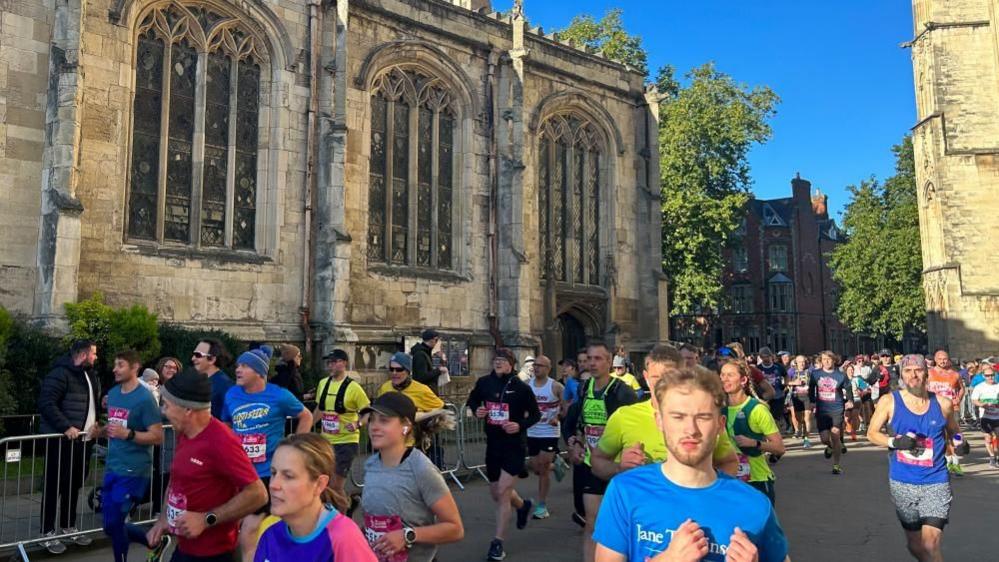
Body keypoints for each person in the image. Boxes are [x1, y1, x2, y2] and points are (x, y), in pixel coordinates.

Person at [593, 368, 790, 562]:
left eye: (703, 417)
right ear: (659, 421)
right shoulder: (626, 491)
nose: (690, 430)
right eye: (678, 417)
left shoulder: (754, 505)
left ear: (720, 425)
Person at [146, 369, 268, 562]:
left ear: (188, 410)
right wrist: (163, 519)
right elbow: (176, 478)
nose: (163, 411)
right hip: (185, 548)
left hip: (213, 554)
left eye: (167, 405)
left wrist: (206, 519)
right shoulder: (185, 433)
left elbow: (258, 494)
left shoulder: (221, 441)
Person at [590, 345, 739, 483]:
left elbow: (729, 462)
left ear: (683, 375)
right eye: (656, 378)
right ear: (646, 377)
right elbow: (596, 462)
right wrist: (619, 468)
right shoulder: (624, 417)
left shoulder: (702, 418)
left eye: (669, 377)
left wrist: (711, 492)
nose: (663, 384)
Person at [867, 354, 964, 562]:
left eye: (918, 370)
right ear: (902, 375)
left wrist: (960, 443)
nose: (913, 374)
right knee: (916, 545)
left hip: (936, 480)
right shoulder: (889, 401)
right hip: (902, 482)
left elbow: (954, 431)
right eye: (908, 370)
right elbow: (872, 433)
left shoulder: (942, 403)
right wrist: (895, 442)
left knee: (930, 543)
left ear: (926, 373)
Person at [360, 392, 464, 561]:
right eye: (372, 419)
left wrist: (407, 535)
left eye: (384, 420)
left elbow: (455, 529)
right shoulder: (371, 464)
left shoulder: (421, 468)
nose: (374, 426)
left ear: (406, 426)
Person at [563, 342, 639, 562]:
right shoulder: (584, 388)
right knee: (592, 522)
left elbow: (634, 428)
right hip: (591, 465)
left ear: (609, 361)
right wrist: (574, 441)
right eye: (589, 359)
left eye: (598, 359)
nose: (592, 363)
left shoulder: (622, 392)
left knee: (621, 524)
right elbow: (572, 422)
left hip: (617, 468)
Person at [250, 434, 377, 562]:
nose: (273, 485)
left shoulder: (344, 538)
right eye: (273, 473)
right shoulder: (269, 534)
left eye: (288, 476)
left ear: (319, 484)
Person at [465, 348, 542, 561]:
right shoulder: (484, 383)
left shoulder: (521, 388)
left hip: (514, 445)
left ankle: (497, 544)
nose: (498, 363)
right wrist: (477, 410)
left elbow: (536, 414)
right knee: (498, 493)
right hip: (493, 445)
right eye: (496, 360)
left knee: (502, 491)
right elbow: (472, 402)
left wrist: (519, 425)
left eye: (503, 361)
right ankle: (522, 505)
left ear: (511, 365)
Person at [222, 345, 313, 499]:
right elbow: (227, 424)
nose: (238, 370)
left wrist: (296, 446)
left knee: (258, 520)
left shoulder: (280, 395)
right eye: (238, 366)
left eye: (244, 366)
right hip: (239, 468)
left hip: (269, 470)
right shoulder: (231, 394)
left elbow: (306, 416)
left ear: (259, 372)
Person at [37, 339, 101, 554]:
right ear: (82, 354)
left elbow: (90, 404)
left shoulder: (89, 374)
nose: (96, 357)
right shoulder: (60, 374)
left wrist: (96, 422)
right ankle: (47, 532)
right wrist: (66, 426)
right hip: (61, 441)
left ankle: (68, 526)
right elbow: (46, 402)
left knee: (74, 484)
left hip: (83, 440)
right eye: (93, 353)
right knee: (54, 485)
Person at [101, 350, 164, 562]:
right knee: (110, 525)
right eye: (115, 364)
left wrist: (128, 435)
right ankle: (152, 541)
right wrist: (98, 431)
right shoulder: (114, 394)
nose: (114, 369)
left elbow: (157, 436)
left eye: (120, 365)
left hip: (134, 470)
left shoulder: (145, 399)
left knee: (116, 521)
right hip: (113, 466)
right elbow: (114, 427)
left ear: (135, 367)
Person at [719, 359, 784, 505]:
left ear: (743, 380)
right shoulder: (720, 411)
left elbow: (779, 447)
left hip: (756, 480)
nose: (724, 379)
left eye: (730, 375)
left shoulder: (757, 409)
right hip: (730, 480)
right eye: (722, 375)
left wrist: (754, 443)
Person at [313, 349, 370, 508]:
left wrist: (358, 424)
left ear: (344, 363)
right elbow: (320, 409)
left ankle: (344, 521)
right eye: (328, 362)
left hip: (346, 441)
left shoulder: (354, 387)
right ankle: (346, 506)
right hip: (326, 442)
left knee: (336, 485)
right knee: (324, 483)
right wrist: (305, 427)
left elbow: (367, 412)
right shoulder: (323, 383)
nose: (330, 365)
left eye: (334, 361)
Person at [524, 355, 563, 520]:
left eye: (540, 365)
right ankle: (557, 465)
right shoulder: (527, 385)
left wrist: (558, 417)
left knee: (543, 468)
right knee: (536, 467)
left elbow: (567, 404)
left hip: (549, 431)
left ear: (548, 368)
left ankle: (542, 505)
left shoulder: (555, 386)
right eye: (535, 365)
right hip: (532, 431)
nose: (536, 368)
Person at [809, 350, 853, 475]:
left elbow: (848, 387)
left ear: (834, 360)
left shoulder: (840, 375)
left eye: (829, 359)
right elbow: (812, 387)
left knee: (835, 435)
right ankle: (830, 446)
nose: (826, 362)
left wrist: (849, 400)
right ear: (821, 361)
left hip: (836, 409)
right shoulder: (815, 374)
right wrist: (812, 401)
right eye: (824, 359)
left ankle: (836, 465)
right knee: (824, 439)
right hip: (822, 410)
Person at [151, 357, 183, 517]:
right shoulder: (154, 388)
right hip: (158, 438)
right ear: (160, 368)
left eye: (174, 368)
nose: (171, 370)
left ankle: (166, 509)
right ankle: (158, 510)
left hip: (175, 439)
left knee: (171, 475)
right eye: (167, 366)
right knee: (160, 474)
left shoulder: (179, 389)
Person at [927, 348, 966, 476]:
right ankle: (948, 461)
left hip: (952, 409)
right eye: (940, 359)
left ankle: (956, 463)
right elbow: (923, 388)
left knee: (955, 435)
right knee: (941, 437)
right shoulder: (929, 373)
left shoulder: (954, 374)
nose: (943, 361)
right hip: (935, 409)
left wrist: (958, 399)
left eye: (945, 359)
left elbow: (961, 389)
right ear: (935, 360)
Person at [377, 352, 444, 413]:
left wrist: (421, 417)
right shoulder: (384, 388)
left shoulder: (422, 390)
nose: (394, 373)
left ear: (408, 371)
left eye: (399, 369)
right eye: (391, 369)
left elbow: (443, 409)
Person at [191, 338, 234, 419]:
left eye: (198, 355)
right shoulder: (199, 382)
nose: (193, 358)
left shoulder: (225, 385)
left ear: (212, 359)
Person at [970, 365, 999, 468]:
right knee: (988, 438)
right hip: (985, 417)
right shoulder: (979, 387)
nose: (990, 377)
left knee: (997, 438)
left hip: (997, 417)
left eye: (992, 375)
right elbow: (974, 400)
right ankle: (992, 457)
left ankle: (996, 457)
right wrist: (982, 405)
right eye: (987, 376)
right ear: (983, 376)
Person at [756, 348, 789, 434]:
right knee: (766, 417)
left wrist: (785, 385)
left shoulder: (778, 366)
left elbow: (786, 376)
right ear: (760, 357)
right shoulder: (758, 368)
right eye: (763, 357)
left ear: (771, 356)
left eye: (768, 356)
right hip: (765, 397)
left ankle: (776, 436)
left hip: (778, 395)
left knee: (775, 418)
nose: (766, 359)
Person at [786, 355, 813, 448]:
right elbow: (786, 382)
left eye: (804, 362)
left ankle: (807, 439)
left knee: (807, 418)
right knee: (799, 419)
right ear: (796, 362)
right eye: (800, 362)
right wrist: (795, 383)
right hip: (796, 397)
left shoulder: (810, 371)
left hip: (807, 397)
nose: (802, 364)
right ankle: (800, 429)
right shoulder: (791, 371)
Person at [411, 329, 442, 396]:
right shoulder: (420, 354)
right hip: (424, 393)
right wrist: (438, 371)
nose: (437, 343)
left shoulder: (425, 353)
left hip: (426, 392)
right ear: (431, 340)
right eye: (436, 340)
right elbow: (422, 377)